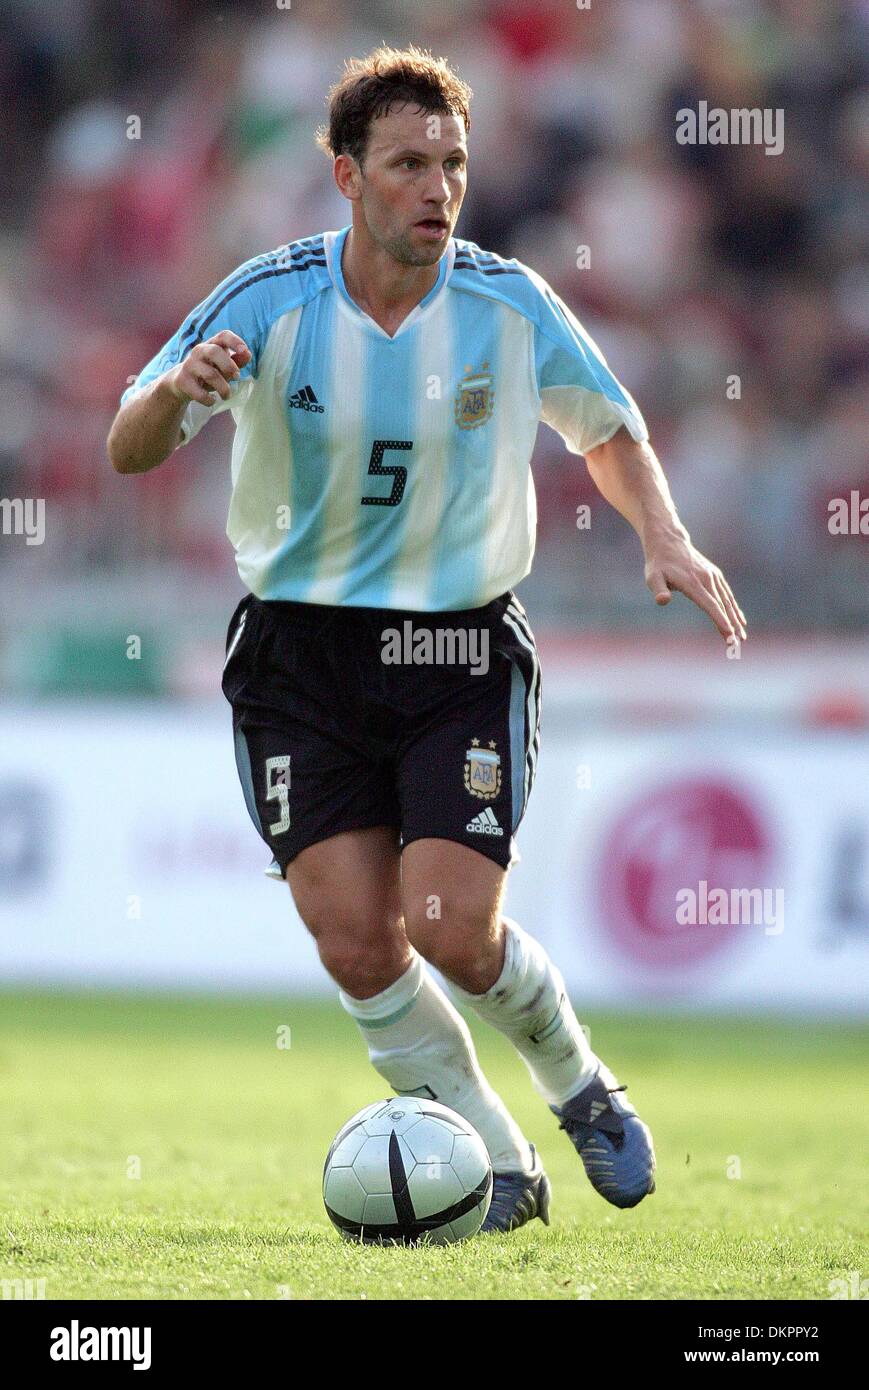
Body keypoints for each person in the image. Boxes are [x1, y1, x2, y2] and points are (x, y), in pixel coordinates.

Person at [107, 45, 746, 1233]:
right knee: (355, 941)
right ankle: (498, 1165)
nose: (437, 188)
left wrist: (661, 533)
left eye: (451, 163)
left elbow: (607, 427)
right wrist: (173, 392)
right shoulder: (266, 297)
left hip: (457, 649)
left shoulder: (507, 304)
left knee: (451, 925)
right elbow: (128, 446)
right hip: (299, 656)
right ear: (346, 176)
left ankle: (579, 1084)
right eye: (409, 164)